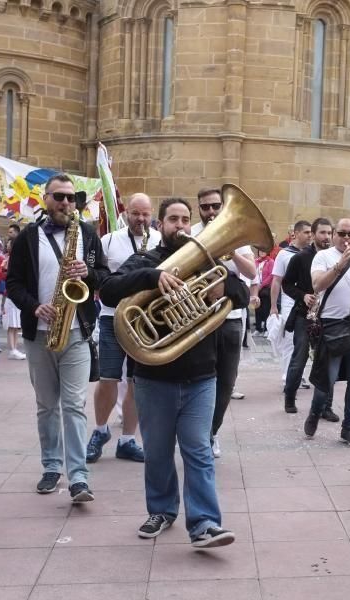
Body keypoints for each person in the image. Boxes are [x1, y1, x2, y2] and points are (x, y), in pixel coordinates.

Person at [99, 197, 245, 547]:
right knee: (159, 451)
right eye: (172, 220)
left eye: (184, 220)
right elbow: (107, 290)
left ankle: (205, 523)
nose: (179, 226)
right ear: (160, 225)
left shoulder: (211, 262)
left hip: (201, 375)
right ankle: (162, 511)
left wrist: (223, 287)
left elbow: (241, 293)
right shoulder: (144, 261)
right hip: (153, 377)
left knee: (198, 449)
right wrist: (152, 277)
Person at [6, 173, 109, 502]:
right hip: (39, 333)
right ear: (45, 199)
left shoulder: (88, 235)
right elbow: (14, 284)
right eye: (59, 197)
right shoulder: (26, 238)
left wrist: (88, 274)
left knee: (74, 405)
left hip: (77, 331)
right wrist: (34, 307)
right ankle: (51, 466)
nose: (66, 203)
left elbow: (103, 275)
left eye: (71, 198)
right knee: (46, 405)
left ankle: (79, 476)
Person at [85, 193, 160, 464]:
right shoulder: (109, 240)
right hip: (111, 317)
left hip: (145, 320)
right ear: (126, 213)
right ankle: (100, 430)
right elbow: (99, 278)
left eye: (145, 214)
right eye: (135, 213)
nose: (140, 219)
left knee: (136, 382)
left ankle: (128, 439)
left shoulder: (160, 242)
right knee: (108, 378)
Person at [192, 188, 257, 458]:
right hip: (196, 317)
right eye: (205, 207)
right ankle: (196, 433)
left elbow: (252, 273)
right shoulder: (192, 233)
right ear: (199, 208)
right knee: (197, 379)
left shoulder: (236, 235)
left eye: (215, 206)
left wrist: (231, 252)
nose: (210, 212)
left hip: (229, 319)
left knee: (226, 382)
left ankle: (211, 433)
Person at [303, 217, 350, 447]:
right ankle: (315, 412)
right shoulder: (323, 256)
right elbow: (317, 285)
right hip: (332, 324)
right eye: (342, 233)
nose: (347, 238)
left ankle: (349, 428)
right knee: (327, 378)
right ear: (334, 235)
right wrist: (340, 264)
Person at [280, 218, 333, 414]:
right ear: (313, 234)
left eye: (329, 233)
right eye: (322, 233)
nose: (326, 237)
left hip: (328, 315)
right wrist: (303, 295)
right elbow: (286, 284)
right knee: (299, 358)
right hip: (305, 314)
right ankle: (290, 396)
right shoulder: (301, 257)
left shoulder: (334, 257)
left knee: (326, 362)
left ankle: (325, 406)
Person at [269, 221, 317, 405]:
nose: (309, 235)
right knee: (291, 343)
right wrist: (274, 306)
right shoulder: (284, 254)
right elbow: (277, 281)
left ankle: (298, 376)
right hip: (291, 303)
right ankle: (287, 378)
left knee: (302, 346)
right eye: (305, 232)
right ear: (295, 234)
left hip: (310, 304)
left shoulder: (315, 255)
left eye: (309, 232)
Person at [1, 225, 26, 360]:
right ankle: (12, 348)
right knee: (12, 324)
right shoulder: (5, 260)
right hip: (9, 295)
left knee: (16, 324)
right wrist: (3, 270)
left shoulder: (17, 259)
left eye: (11, 233)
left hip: (16, 295)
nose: (9, 246)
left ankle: (15, 348)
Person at [253, 249, 275, 334]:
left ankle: (266, 329)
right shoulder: (255, 261)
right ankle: (258, 328)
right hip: (256, 288)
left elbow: (271, 275)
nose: (262, 252)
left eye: (264, 251)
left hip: (266, 289)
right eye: (260, 251)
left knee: (266, 309)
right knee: (257, 308)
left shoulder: (271, 261)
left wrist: (261, 285)